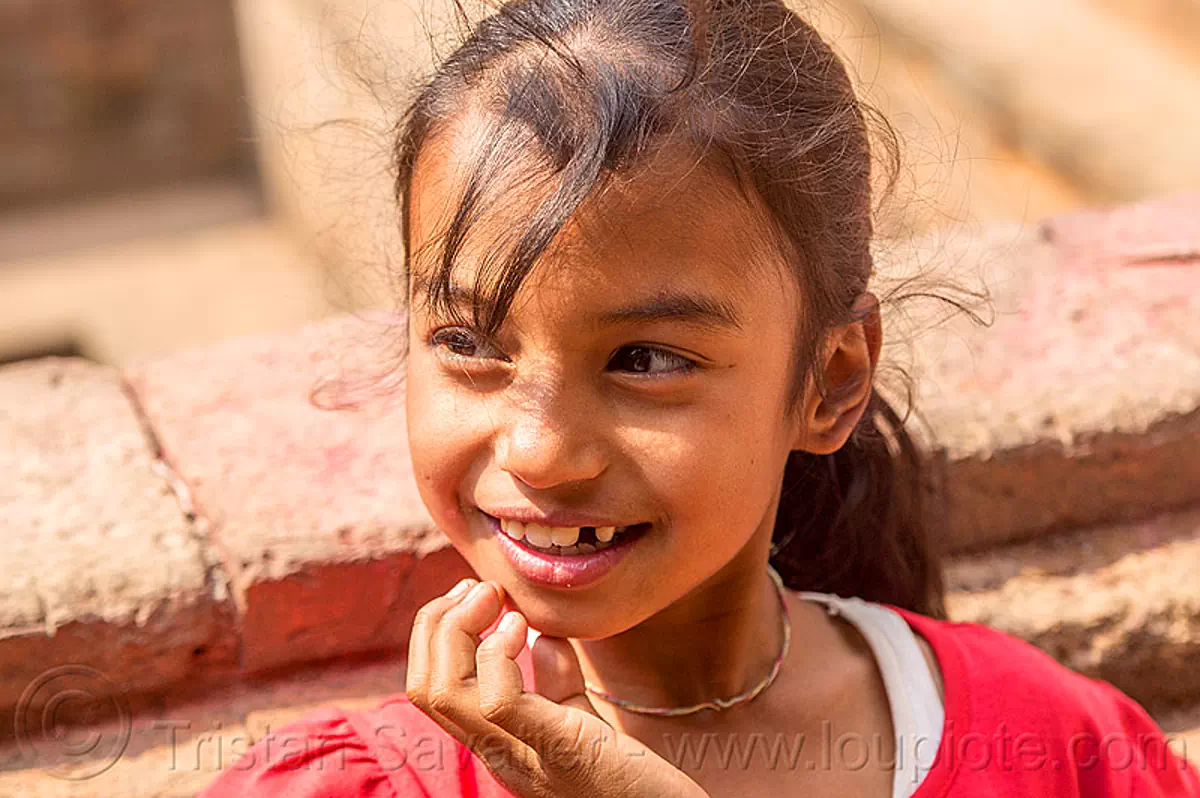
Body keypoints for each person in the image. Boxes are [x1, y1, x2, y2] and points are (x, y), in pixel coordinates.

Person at [198, 0, 1200, 794]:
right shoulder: (341, 788)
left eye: (644, 359)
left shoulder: (1058, 749)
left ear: (829, 379)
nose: (542, 452)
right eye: (468, 343)